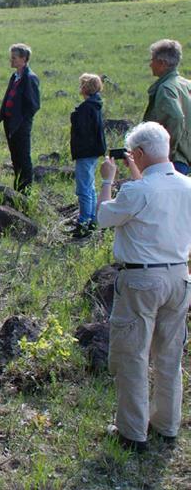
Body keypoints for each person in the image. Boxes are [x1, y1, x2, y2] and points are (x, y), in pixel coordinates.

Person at [97, 122, 191, 452]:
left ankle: (132, 432)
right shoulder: (187, 185)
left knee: (133, 355)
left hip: (141, 279)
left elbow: (105, 216)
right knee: (169, 355)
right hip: (179, 276)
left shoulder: (136, 191)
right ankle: (167, 426)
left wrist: (108, 180)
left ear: (136, 154)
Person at [142, 38, 191, 174]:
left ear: (162, 63)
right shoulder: (186, 84)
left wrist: (167, 151)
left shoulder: (166, 88)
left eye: (152, 60)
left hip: (174, 160)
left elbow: (175, 117)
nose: (150, 64)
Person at [0, 43, 40, 193]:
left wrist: (21, 120)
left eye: (14, 58)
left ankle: (25, 192)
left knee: (23, 158)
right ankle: (18, 189)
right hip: (10, 123)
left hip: (20, 124)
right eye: (11, 57)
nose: (11, 60)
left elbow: (33, 105)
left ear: (24, 59)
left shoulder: (30, 78)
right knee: (15, 157)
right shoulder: (15, 76)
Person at [69, 74, 107, 238]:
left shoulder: (86, 108)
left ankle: (83, 223)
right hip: (93, 152)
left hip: (85, 152)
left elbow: (82, 131)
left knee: (83, 188)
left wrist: (74, 116)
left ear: (85, 88)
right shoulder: (96, 104)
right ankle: (91, 219)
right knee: (89, 186)